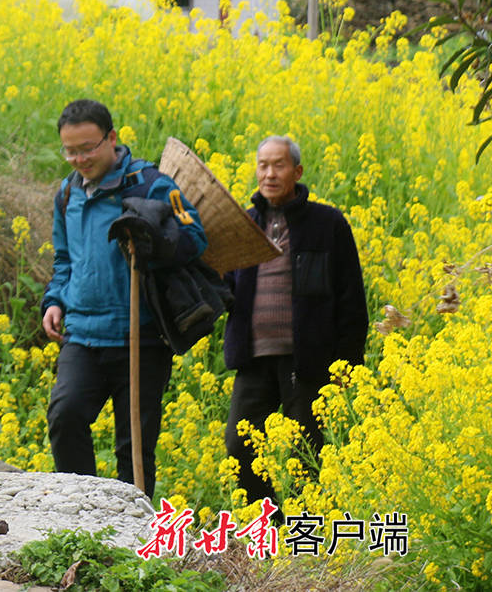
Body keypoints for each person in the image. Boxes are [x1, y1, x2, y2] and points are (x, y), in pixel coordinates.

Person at [41, 99, 205, 499]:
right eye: (70, 150)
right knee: (65, 415)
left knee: (133, 449)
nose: (79, 158)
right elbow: (65, 260)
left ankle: (132, 539)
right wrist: (54, 301)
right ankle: (80, 511)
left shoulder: (150, 184)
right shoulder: (67, 194)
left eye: (87, 148)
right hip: (82, 333)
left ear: (111, 138)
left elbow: (195, 238)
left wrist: (152, 240)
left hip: (140, 337)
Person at [222, 135, 367, 506]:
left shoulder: (328, 224)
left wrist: (347, 365)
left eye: (279, 165)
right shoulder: (244, 224)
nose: (269, 174)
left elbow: (351, 299)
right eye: (262, 165)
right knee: (241, 450)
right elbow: (222, 287)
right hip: (253, 359)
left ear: (297, 171)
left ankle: (305, 541)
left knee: (307, 455)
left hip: (308, 361)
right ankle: (261, 532)